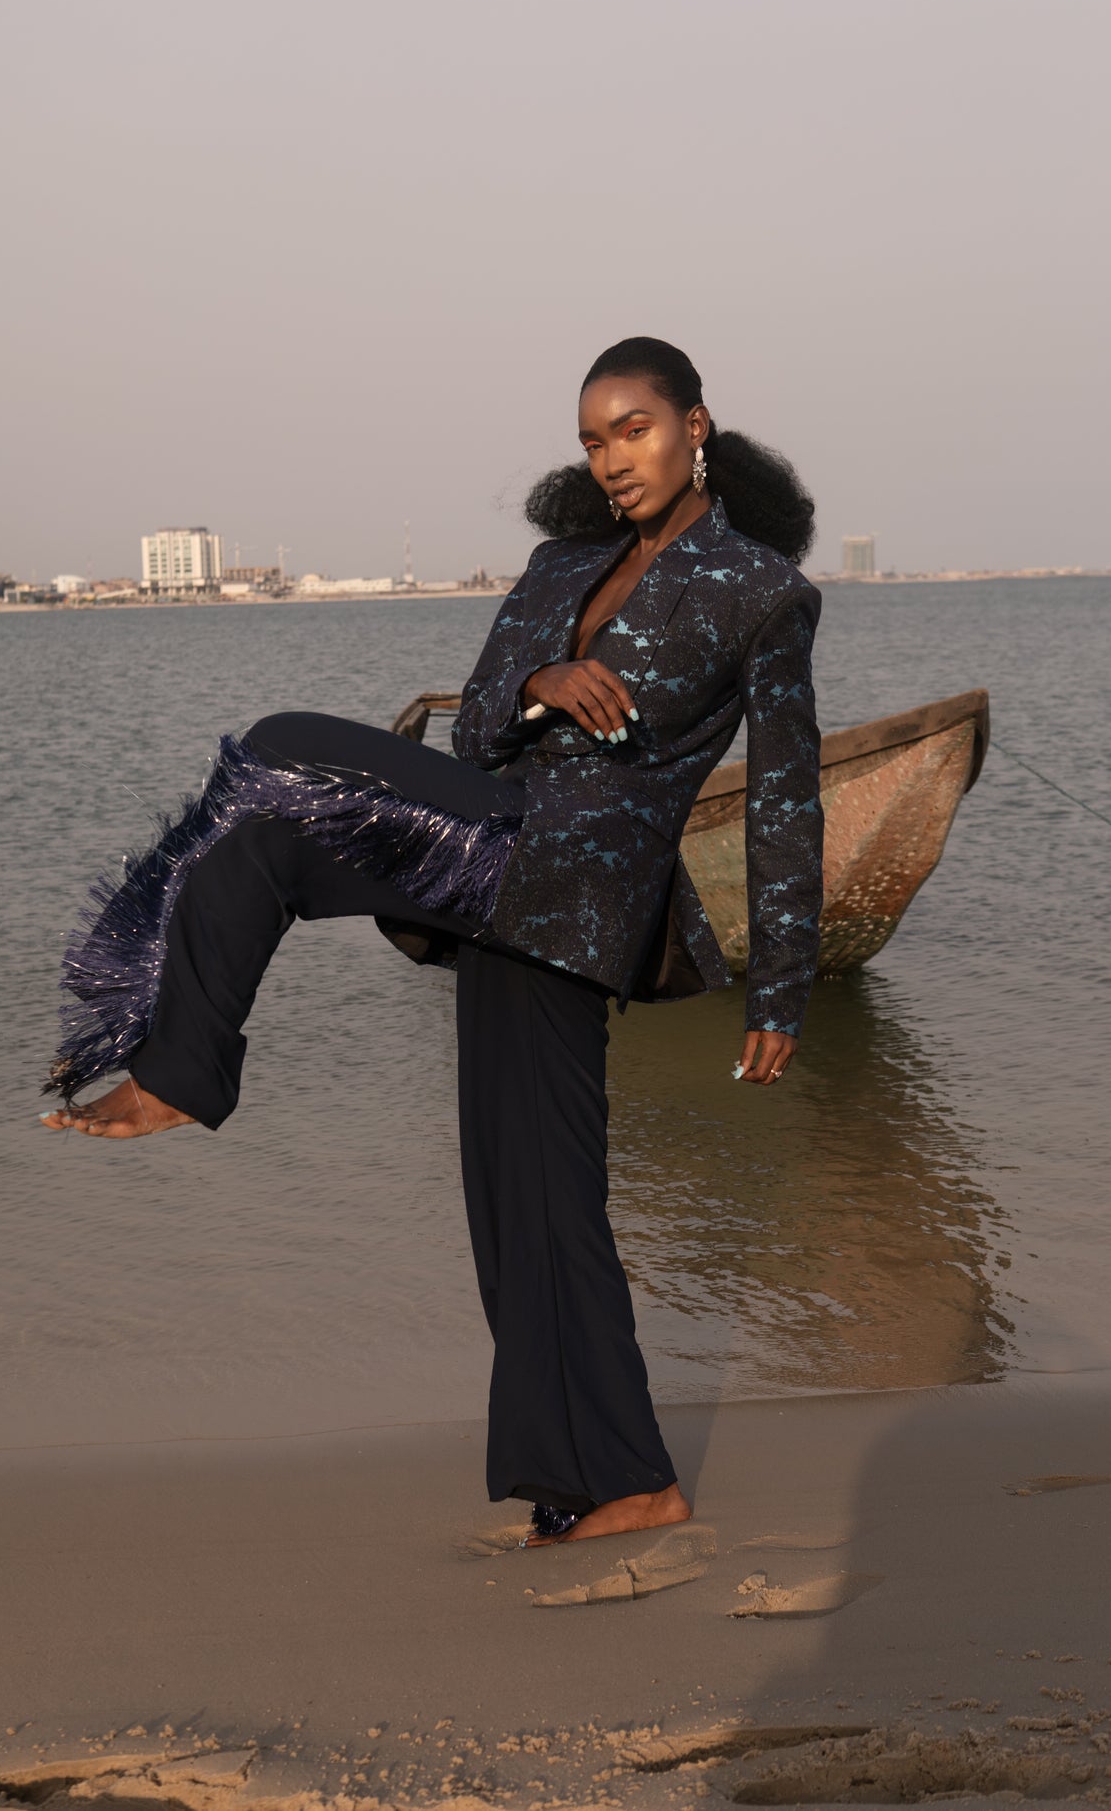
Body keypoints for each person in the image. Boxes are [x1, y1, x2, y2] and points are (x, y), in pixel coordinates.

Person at [41, 336, 824, 1547]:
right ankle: (176, 1067)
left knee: (543, 1195)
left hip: (581, 894)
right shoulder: (562, 560)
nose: (614, 459)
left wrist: (781, 990)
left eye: (636, 429)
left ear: (696, 426)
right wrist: (541, 685)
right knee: (262, 840)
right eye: (593, 440)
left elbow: (783, 794)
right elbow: (475, 737)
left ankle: (623, 1480)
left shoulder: (761, 591)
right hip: (489, 854)